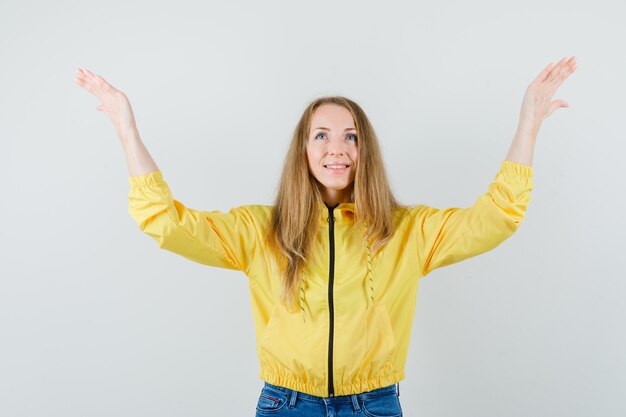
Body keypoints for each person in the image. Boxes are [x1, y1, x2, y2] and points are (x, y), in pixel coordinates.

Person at [74, 56, 577, 416]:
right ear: (305, 150)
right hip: (285, 404)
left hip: (374, 404)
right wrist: (127, 132)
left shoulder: (408, 231)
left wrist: (528, 123)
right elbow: (164, 220)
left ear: (366, 150)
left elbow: (498, 216)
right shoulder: (258, 231)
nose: (337, 149)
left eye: (351, 136)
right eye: (323, 135)